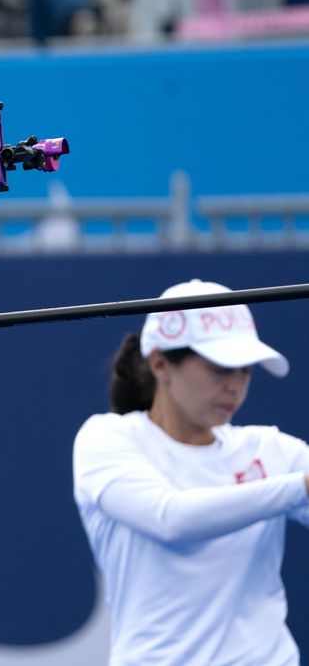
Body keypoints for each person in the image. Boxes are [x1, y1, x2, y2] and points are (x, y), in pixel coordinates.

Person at [73, 279, 309, 665]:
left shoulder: (271, 449)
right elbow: (171, 518)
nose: (236, 386)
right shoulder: (106, 438)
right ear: (161, 363)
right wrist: (299, 487)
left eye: (246, 371)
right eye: (220, 368)